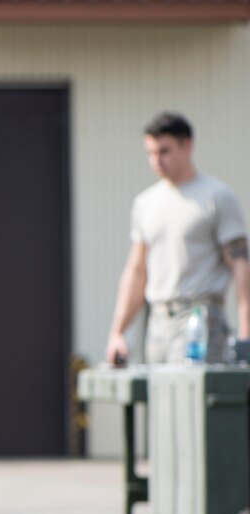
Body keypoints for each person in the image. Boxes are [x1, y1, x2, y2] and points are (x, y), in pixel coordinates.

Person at [106, 112, 249, 365]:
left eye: (164, 151)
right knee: (160, 401)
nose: (156, 160)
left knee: (188, 400)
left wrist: (245, 332)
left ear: (187, 146)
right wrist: (118, 332)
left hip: (198, 319)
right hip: (157, 322)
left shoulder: (216, 197)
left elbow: (241, 265)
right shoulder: (145, 203)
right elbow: (137, 271)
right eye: (150, 153)